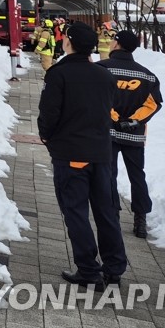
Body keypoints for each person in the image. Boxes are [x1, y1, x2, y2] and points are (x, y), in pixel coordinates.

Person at [37, 20, 127, 289]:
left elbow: (49, 115)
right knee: (106, 211)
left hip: (71, 153)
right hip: (102, 154)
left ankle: (88, 269)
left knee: (75, 211)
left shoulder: (58, 74)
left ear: (68, 43)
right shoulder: (105, 76)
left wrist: (47, 137)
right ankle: (114, 268)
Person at [103, 29, 163, 238]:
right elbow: (153, 104)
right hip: (135, 135)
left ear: (117, 44)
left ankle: (112, 215)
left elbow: (99, 98)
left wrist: (114, 117)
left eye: (113, 40)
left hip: (107, 133)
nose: (110, 42)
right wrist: (134, 121)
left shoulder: (102, 69)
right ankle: (140, 220)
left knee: (109, 174)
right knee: (137, 176)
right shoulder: (147, 75)